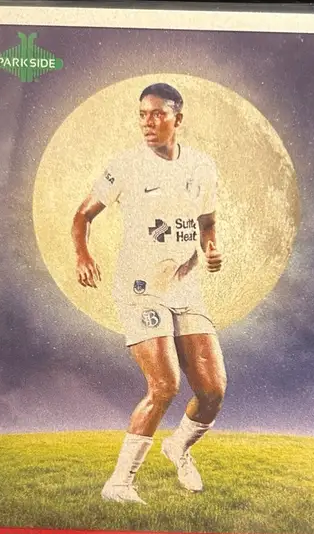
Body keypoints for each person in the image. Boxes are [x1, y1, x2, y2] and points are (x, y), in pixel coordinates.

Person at [71, 83, 227, 503]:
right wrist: (83, 254)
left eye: (158, 114)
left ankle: (179, 448)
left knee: (212, 392)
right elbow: (82, 215)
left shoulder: (202, 167)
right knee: (165, 385)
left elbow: (207, 223)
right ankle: (119, 484)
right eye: (142, 114)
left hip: (185, 286)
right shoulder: (125, 166)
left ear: (179, 118)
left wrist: (212, 249)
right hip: (140, 288)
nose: (148, 122)